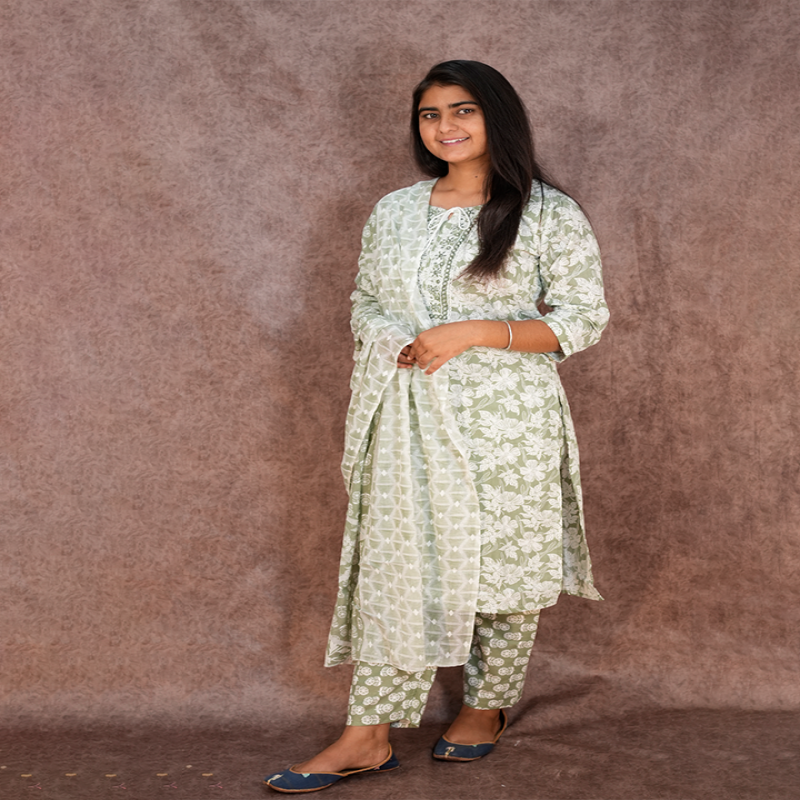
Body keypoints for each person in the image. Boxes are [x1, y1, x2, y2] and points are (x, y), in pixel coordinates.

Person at [264, 59, 609, 793]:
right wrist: (395, 340)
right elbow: (364, 301)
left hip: (507, 421)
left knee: (504, 565)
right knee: (401, 568)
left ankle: (486, 705)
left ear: (497, 118)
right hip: (408, 412)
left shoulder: (546, 213)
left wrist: (475, 331)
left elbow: (584, 318)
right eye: (430, 114)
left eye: (463, 111)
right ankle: (367, 734)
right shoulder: (394, 210)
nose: (445, 126)